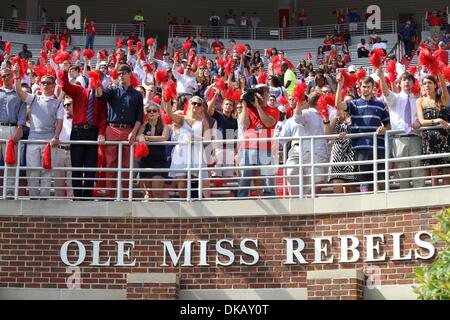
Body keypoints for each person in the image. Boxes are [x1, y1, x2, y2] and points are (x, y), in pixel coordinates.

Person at [13, 64, 64, 199]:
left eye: (48, 83)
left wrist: (56, 137)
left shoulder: (58, 102)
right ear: (39, 85)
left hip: (49, 141)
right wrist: (17, 76)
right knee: (32, 172)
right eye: (43, 83)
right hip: (33, 140)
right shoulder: (34, 98)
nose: (45, 85)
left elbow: (60, 122)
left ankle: (44, 200)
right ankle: (34, 199)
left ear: (53, 86)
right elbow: (19, 91)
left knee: (47, 172)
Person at [335, 74, 391, 192]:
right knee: (365, 184)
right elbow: (338, 104)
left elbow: (388, 125)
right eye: (364, 86)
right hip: (360, 148)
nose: (366, 89)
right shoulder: (354, 104)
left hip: (379, 147)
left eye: (368, 87)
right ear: (360, 87)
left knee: (382, 182)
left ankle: (383, 208)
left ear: (372, 87)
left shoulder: (380, 104)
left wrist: (383, 129)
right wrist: (340, 85)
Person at [96, 64, 143, 199]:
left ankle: (126, 197)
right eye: (119, 74)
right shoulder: (112, 90)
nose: (121, 76)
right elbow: (100, 96)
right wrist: (96, 83)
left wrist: (133, 132)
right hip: (112, 129)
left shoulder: (137, 95)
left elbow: (139, 117)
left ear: (130, 74)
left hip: (128, 129)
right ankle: (109, 197)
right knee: (111, 164)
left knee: (126, 166)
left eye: (123, 73)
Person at [60, 68, 107, 199]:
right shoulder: (80, 90)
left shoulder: (102, 97)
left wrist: (101, 133)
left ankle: (87, 197)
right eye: (92, 77)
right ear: (89, 78)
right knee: (76, 167)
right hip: (78, 131)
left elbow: (103, 117)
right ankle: (77, 197)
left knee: (90, 168)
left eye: (98, 78)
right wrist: (64, 72)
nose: (94, 80)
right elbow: (66, 87)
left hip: (93, 132)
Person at [378, 69, 425, 189]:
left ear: (413, 83)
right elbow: (386, 92)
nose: (406, 82)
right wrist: (382, 78)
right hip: (399, 139)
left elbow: (423, 117)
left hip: (416, 137)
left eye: (409, 80)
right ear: (399, 83)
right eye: (404, 80)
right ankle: (405, 201)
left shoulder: (418, 99)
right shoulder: (395, 98)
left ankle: (421, 201)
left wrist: (419, 122)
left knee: (418, 170)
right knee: (403, 173)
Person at [281, 92, 328, 196]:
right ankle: (301, 202)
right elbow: (296, 118)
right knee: (295, 176)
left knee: (317, 182)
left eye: (303, 101)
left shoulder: (321, 114)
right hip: (302, 151)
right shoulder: (304, 114)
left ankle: (307, 201)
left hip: (317, 152)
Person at [238, 84, 279, 198]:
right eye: (257, 93)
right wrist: (244, 105)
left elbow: (268, 123)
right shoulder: (248, 109)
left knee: (267, 179)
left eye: (261, 93)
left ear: (267, 93)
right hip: (248, 147)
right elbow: (244, 124)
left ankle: (270, 200)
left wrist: (258, 106)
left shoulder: (273, 110)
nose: (259, 95)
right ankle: (241, 200)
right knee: (244, 178)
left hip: (265, 148)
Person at [416, 73, 450, 186]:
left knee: (447, 172)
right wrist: (438, 120)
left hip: (445, 139)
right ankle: (436, 204)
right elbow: (421, 121)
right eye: (424, 83)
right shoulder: (420, 101)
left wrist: (438, 72)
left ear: (435, 85)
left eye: (429, 83)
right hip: (429, 140)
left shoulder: (443, 99)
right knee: (433, 173)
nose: (427, 85)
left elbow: (444, 88)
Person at [0, 68, 27, 197]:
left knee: (10, 161)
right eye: (4, 76)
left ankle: (9, 191)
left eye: (8, 75)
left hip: (12, 128)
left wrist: (20, 127)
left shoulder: (18, 94)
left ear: (12, 77)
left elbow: (22, 112)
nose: (6, 78)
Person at [324, 95, 357, 194]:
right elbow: (327, 135)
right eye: (345, 101)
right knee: (337, 183)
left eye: (350, 102)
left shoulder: (357, 117)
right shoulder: (337, 118)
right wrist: (326, 119)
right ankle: (338, 208)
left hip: (352, 153)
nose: (347, 104)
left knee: (350, 186)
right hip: (338, 153)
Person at [136, 104, 169, 199]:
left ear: (159, 113)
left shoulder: (164, 126)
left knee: (156, 193)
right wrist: (141, 137)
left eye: (154, 111)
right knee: (147, 194)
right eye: (149, 111)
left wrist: (146, 138)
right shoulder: (143, 125)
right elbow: (138, 137)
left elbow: (164, 138)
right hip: (145, 161)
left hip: (159, 162)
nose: (151, 113)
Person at [53, 95, 74, 198]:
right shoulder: (59, 118)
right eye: (64, 105)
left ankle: (72, 203)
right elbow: (56, 103)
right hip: (59, 150)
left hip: (72, 151)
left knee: (71, 180)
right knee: (58, 180)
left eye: (68, 104)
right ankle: (58, 203)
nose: (66, 107)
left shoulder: (79, 120)